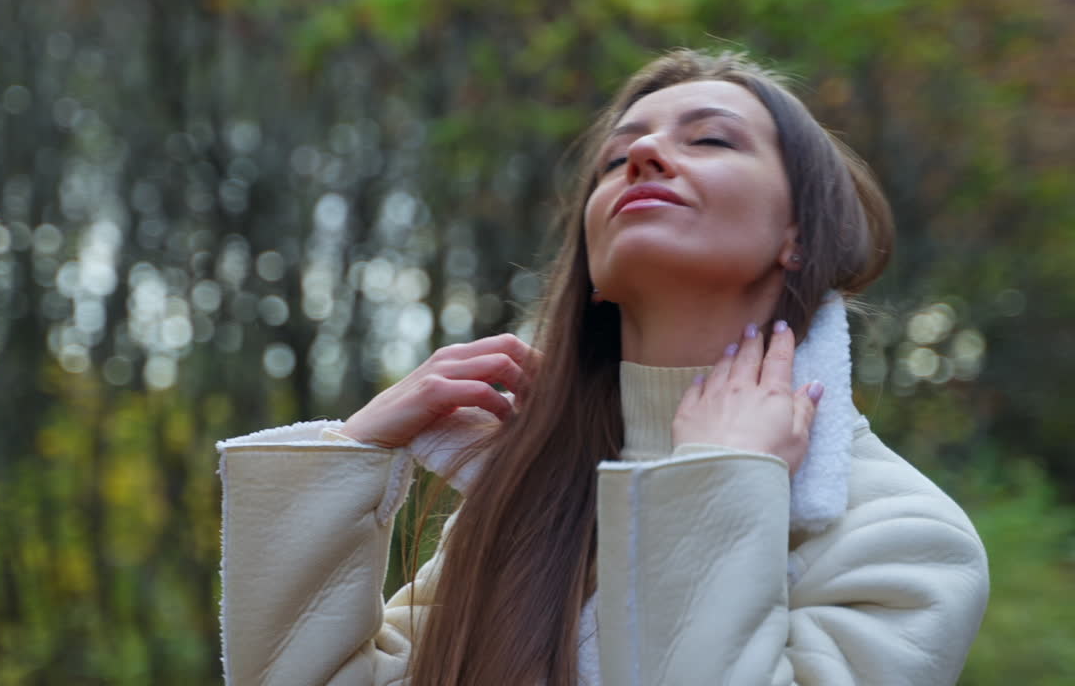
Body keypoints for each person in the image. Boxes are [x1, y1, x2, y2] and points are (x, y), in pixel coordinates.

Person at [217, 49, 989, 686]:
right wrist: (349, 456)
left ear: (799, 231)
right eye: (617, 158)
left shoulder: (902, 537)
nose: (643, 157)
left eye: (711, 140)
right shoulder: (516, 514)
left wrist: (717, 478)